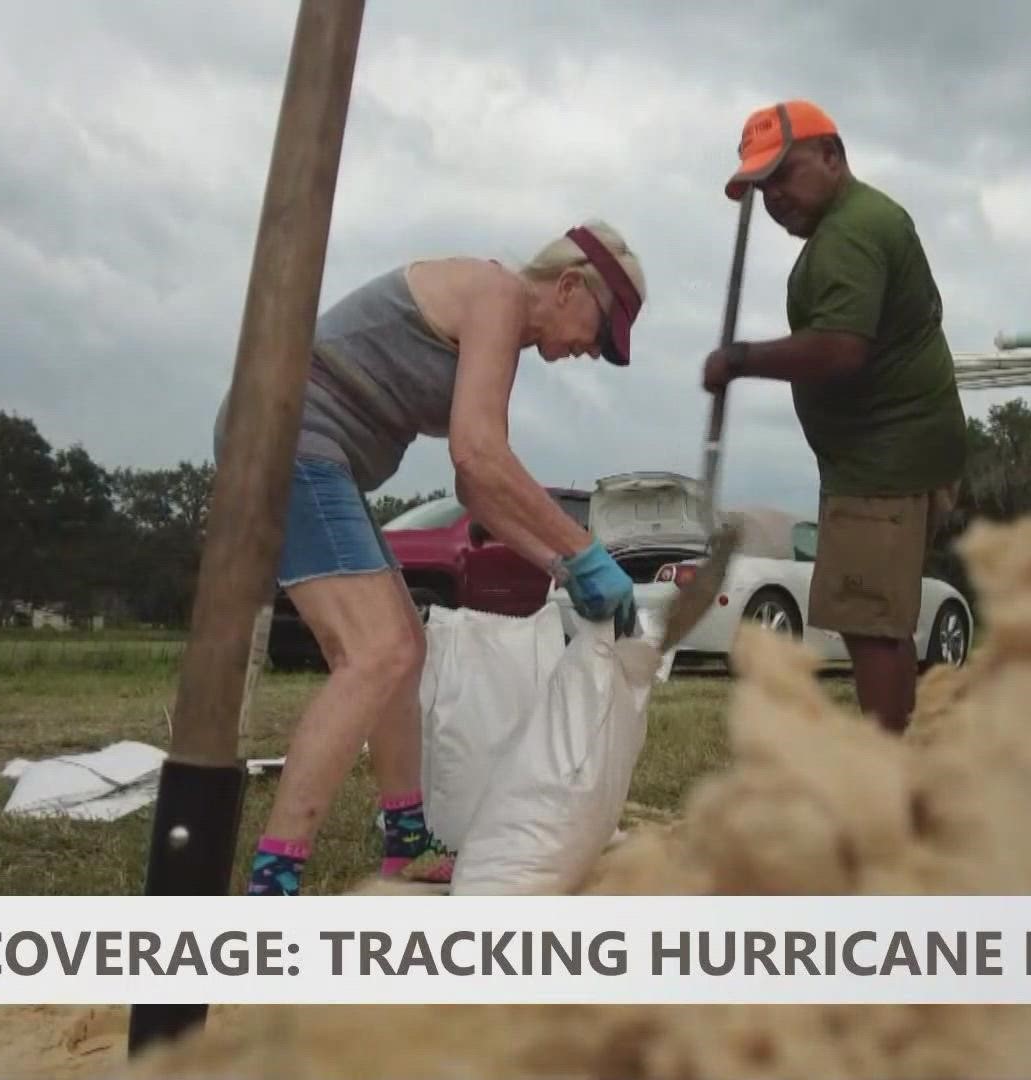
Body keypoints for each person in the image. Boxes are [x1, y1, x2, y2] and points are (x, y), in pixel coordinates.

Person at [214, 222, 647, 896]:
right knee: (375, 653)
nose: (595, 350)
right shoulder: (498, 295)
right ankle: (273, 881)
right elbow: (478, 454)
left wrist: (564, 567)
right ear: (568, 285)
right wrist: (582, 549)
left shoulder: (499, 328)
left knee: (405, 649)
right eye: (603, 328)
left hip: (316, 454)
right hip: (288, 436)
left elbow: (474, 486)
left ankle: (407, 840)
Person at [701, 100, 969, 736]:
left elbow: (842, 350)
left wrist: (739, 359)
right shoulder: (854, 225)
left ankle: (886, 773)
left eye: (784, 176)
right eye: (763, 189)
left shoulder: (853, 231)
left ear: (832, 156)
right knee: (876, 621)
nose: (775, 199)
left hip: (885, 462)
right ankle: (898, 762)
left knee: (871, 622)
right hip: (884, 459)